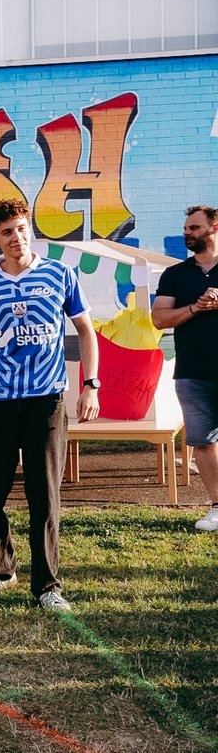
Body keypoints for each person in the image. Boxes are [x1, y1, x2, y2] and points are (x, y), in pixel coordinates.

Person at [0, 198, 99, 612]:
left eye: (21, 228)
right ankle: (0, 570)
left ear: (30, 230)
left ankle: (48, 586)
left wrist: (90, 385)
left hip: (44, 401)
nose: (17, 237)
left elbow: (86, 330)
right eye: (7, 232)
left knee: (43, 496)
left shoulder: (60, 274)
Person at [152, 205, 218, 532]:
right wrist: (195, 307)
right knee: (203, 441)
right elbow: (159, 319)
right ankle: (217, 507)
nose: (187, 234)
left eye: (194, 228)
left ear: (214, 228)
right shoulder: (175, 274)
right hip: (192, 372)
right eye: (186, 229)